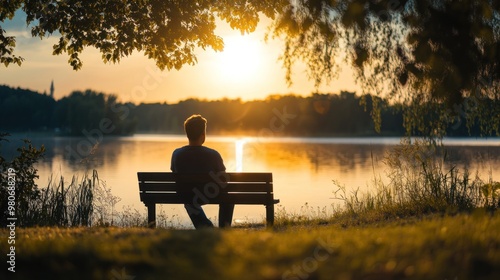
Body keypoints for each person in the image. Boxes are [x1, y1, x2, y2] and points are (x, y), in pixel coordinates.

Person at [170, 114, 234, 229]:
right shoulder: (213, 154)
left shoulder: (177, 154)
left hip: (186, 195)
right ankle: (223, 229)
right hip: (209, 194)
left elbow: (174, 172)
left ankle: (206, 227)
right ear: (203, 135)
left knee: (189, 200)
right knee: (227, 198)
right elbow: (223, 179)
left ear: (187, 134)